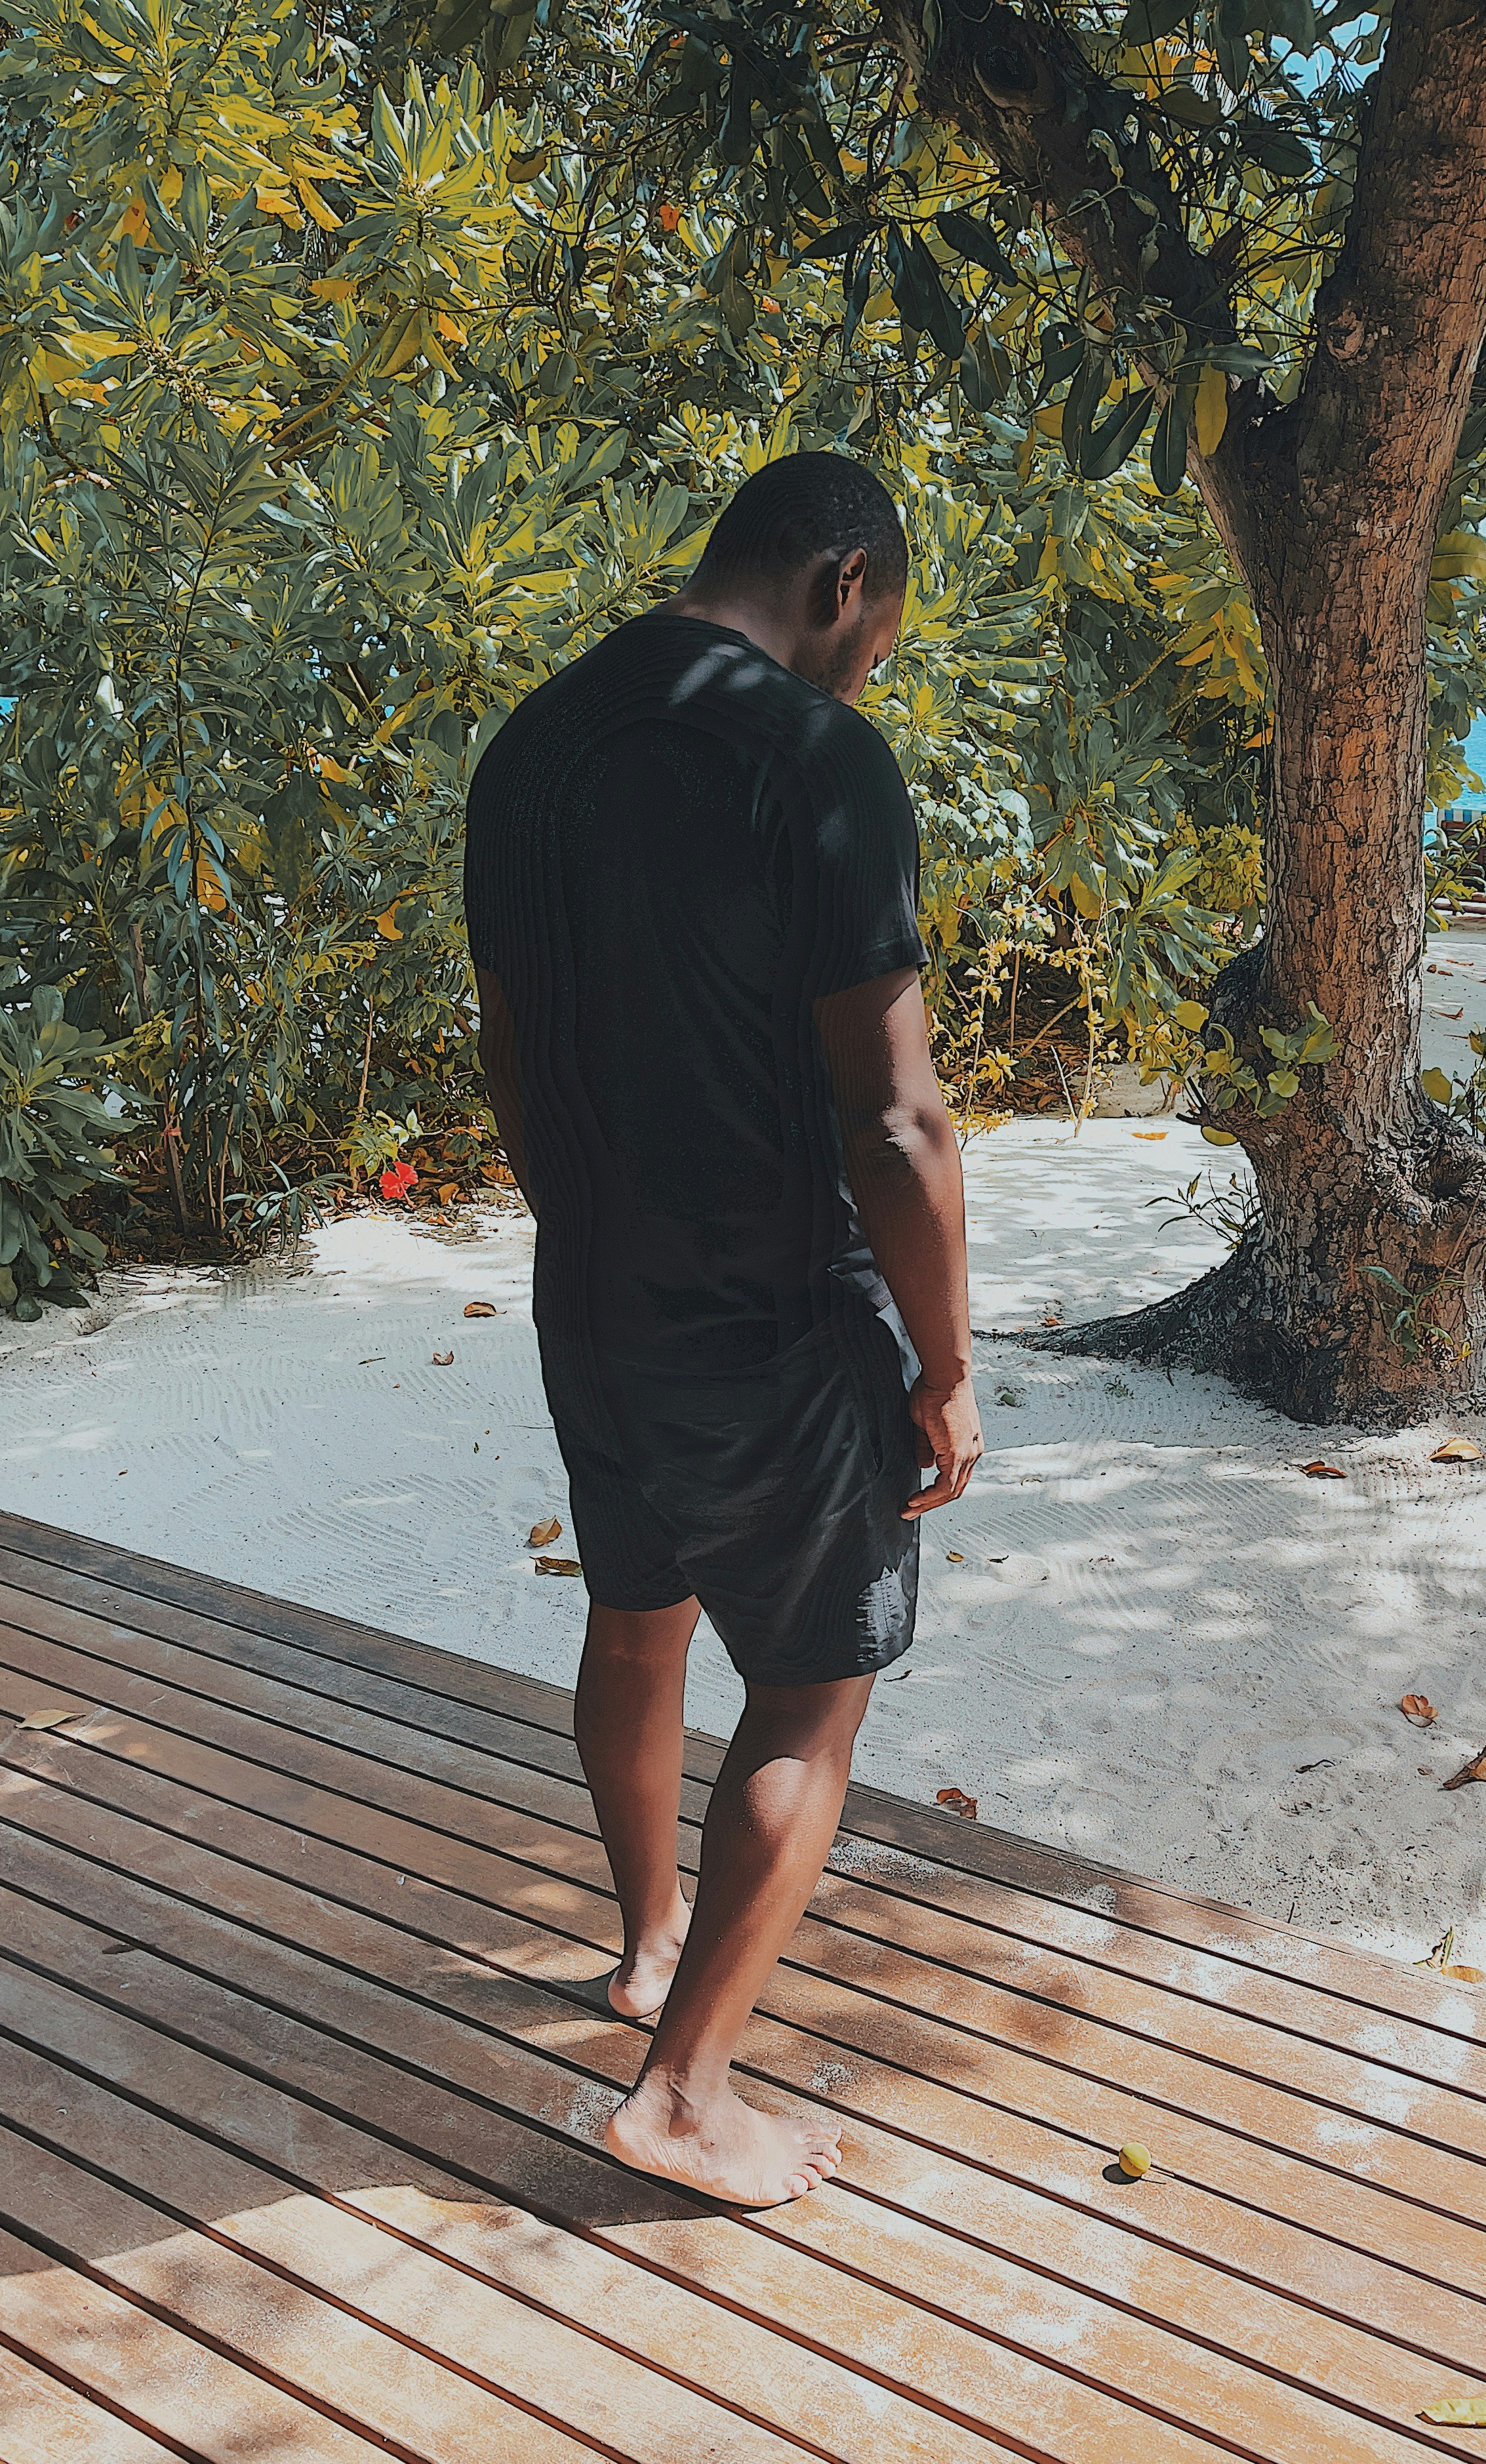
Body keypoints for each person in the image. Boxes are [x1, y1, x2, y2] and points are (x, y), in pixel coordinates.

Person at [465, 452, 980, 2209]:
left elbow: (512, 1051)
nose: (869, 673)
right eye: (878, 635)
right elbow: (896, 1119)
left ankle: (646, 1943)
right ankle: (686, 2091)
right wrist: (950, 1366)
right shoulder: (813, 757)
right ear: (842, 578)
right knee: (812, 1689)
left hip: (593, 1283)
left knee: (638, 1615)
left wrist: (593, 1229)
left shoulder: (535, 742)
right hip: (771, 1305)